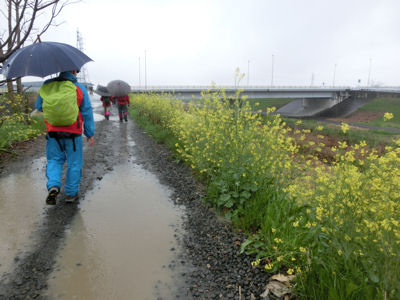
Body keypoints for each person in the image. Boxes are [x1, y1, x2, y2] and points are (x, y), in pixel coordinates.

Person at [35, 70, 95, 205]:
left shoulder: (47, 85)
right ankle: (71, 194)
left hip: (53, 132)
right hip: (73, 133)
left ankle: (53, 186)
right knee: (74, 163)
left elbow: (39, 106)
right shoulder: (79, 88)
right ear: (74, 71)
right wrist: (89, 133)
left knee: (54, 160)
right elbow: (86, 111)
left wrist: (56, 110)